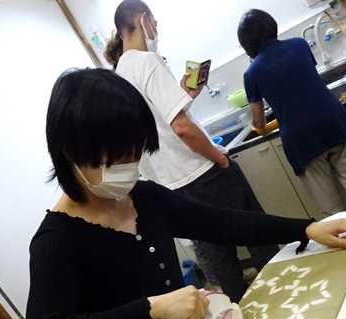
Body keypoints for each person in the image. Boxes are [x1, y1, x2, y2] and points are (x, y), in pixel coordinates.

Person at [25, 68, 346, 319]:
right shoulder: (57, 241)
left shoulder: (144, 198)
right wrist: (152, 308)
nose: (128, 168)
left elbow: (223, 223)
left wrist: (306, 228)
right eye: (115, 160)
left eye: (134, 155)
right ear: (71, 153)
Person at [103, 0, 275, 302]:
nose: (156, 29)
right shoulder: (147, 62)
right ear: (143, 21)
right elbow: (182, 128)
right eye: (154, 22)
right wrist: (219, 158)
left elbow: (158, 125)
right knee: (256, 233)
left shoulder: (119, 75)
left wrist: (183, 95)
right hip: (202, 173)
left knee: (219, 258)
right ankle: (284, 290)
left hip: (174, 186)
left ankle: (244, 311)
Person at [238, 9, 346, 221]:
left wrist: (265, 123)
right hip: (333, 122)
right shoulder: (300, 44)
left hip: (302, 141)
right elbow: (305, 83)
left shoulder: (251, 73)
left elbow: (259, 122)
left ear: (247, 44)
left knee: (331, 209)